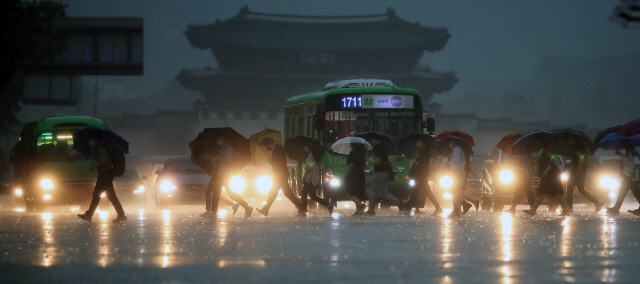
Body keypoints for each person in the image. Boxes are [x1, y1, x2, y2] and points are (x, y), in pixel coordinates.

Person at [78, 131, 127, 223]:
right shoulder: (99, 148)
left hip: (105, 175)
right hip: (106, 174)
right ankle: (121, 215)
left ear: (97, 139)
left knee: (96, 195)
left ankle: (88, 215)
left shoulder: (102, 148)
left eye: (93, 139)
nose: (92, 140)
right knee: (111, 196)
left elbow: (104, 160)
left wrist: (95, 166)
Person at [203, 133, 253, 219]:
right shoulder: (222, 148)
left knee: (219, 193)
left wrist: (219, 158)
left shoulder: (229, 148)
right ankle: (246, 207)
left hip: (225, 174)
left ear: (223, 138)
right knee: (224, 193)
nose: (218, 141)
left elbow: (229, 160)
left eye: (219, 139)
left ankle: (214, 212)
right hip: (220, 174)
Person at [256, 137, 305, 217]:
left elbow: (280, 163)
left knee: (274, 192)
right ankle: (301, 208)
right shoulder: (276, 149)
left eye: (266, 145)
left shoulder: (278, 149)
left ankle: (266, 209)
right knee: (286, 193)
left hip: (281, 175)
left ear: (270, 143)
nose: (266, 147)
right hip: (280, 175)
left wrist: (272, 162)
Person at [365, 135, 410, 216]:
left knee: (373, 190)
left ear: (374, 139)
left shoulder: (378, 147)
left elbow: (378, 160)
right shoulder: (384, 145)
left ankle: (371, 210)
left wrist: (369, 159)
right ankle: (400, 204)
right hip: (386, 171)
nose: (370, 143)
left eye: (370, 141)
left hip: (380, 172)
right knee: (383, 192)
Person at [523, 145, 571, 217]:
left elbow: (551, 162)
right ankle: (533, 210)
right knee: (543, 191)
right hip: (550, 175)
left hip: (551, 175)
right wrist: (539, 159)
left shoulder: (550, 149)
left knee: (555, 192)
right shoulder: (546, 149)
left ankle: (565, 210)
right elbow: (546, 160)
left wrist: (546, 171)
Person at [565, 138, 604, 213]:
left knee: (569, 188)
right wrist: (567, 166)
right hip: (577, 171)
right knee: (581, 190)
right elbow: (574, 160)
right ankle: (597, 202)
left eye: (570, 140)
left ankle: (569, 208)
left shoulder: (580, 146)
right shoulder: (574, 147)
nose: (569, 141)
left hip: (578, 171)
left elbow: (582, 158)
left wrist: (579, 170)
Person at [407, 140, 443, 216]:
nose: (419, 143)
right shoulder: (423, 150)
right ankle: (438, 208)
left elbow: (423, 163)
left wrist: (418, 157)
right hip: (420, 174)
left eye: (421, 142)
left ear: (424, 143)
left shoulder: (425, 151)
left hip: (421, 174)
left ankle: (408, 209)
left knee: (416, 191)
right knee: (419, 191)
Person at [606, 140, 640, 215]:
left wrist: (633, 172)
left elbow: (637, 162)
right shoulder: (626, 153)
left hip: (631, 177)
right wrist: (618, 153)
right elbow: (625, 159)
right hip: (627, 176)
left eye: (622, 145)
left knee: (630, 193)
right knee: (625, 192)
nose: (621, 146)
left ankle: (616, 208)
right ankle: (616, 208)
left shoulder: (631, 153)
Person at [300, 147, 334, 215]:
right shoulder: (314, 155)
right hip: (311, 178)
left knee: (308, 195)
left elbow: (310, 167)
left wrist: (304, 177)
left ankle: (303, 210)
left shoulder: (311, 155)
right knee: (309, 195)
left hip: (310, 178)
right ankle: (328, 205)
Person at [345, 143, 368, 215]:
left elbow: (351, 165)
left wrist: (348, 173)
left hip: (353, 175)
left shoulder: (352, 153)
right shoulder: (362, 154)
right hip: (361, 174)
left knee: (349, 191)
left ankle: (361, 206)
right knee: (357, 192)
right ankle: (358, 210)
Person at [447, 141, 467, 218]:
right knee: (455, 191)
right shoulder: (459, 149)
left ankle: (464, 204)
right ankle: (457, 210)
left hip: (457, 172)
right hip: (458, 172)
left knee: (453, 190)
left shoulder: (456, 150)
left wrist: (450, 161)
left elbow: (457, 161)